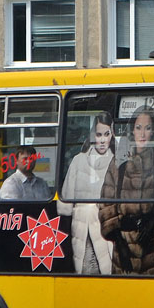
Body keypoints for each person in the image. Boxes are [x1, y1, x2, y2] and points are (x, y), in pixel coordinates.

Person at [99, 107, 154, 275]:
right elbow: (106, 204)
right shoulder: (118, 163)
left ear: (153, 132)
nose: (142, 134)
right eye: (138, 127)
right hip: (123, 255)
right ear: (132, 130)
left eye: (147, 128)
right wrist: (119, 242)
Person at [58, 113, 115, 275]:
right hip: (83, 233)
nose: (103, 140)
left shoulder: (116, 163)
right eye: (99, 135)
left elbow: (66, 205)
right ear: (93, 136)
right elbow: (64, 206)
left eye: (106, 134)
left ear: (112, 135)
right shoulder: (78, 161)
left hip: (106, 233)